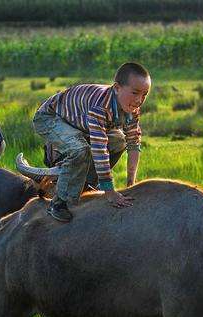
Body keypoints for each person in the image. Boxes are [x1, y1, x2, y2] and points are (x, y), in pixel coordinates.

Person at [32, 62, 151, 222]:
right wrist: (109, 191)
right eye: (135, 93)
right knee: (80, 149)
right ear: (117, 88)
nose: (139, 100)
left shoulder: (132, 108)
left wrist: (131, 185)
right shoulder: (100, 107)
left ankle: (88, 183)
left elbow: (133, 144)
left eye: (144, 94)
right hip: (52, 118)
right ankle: (59, 203)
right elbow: (99, 148)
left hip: (81, 123)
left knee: (119, 141)